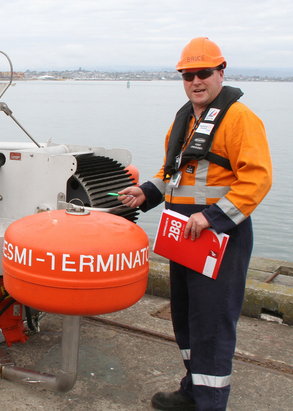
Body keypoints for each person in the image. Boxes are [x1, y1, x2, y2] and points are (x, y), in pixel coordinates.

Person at [119, 37, 272, 411]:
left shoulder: (240, 119)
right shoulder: (185, 117)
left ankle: (210, 403)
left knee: (214, 324)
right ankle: (192, 391)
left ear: (221, 72)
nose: (195, 81)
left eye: (204, 73)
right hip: (182, 235)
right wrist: (145, 193)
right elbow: (172, 171)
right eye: (188, 75)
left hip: (219, 237)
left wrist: (212, 218)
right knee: (187, 319)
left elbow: (258, 179)